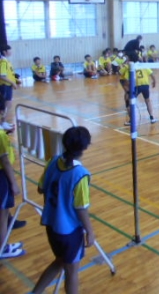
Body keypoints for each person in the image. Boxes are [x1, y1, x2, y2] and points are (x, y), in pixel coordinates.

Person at [30, 126, 95, 294]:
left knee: (60, 261)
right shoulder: (80, 174)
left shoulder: (53, 161)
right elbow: (81, 208)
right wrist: (90, 231)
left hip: (51, 225)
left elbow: (40, 189)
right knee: (71, 273)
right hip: (69, 231)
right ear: (85, 147)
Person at [0, 95, 24, 259]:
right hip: (2, 177)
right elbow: (5, 161)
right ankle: (2, 249)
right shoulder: (0, 135)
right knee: (2, 217)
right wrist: (14, 183)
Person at [120, 53, 157, 126]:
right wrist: (154, 81)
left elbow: (125, 79)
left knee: (129, 102)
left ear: (130, 59)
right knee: (148, 100)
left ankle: (131, 120)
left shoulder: (130, 67)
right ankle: (152, 117)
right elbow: (152, 74)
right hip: (145, 85)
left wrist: (128, 89)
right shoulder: (143, 65)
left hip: (136, 86)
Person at [0, 45, 20, 131]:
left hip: (8, 86)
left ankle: (3, 122)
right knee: (3, 105)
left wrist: (16, 81)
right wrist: (12, 83)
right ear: (5, 51)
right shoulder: (3, 62)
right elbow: (2, 76)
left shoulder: (7, 61)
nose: (11, 52)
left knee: (8, 104)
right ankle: (1, 123)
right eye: (9, 50)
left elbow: (9, 74)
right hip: (4, 86)